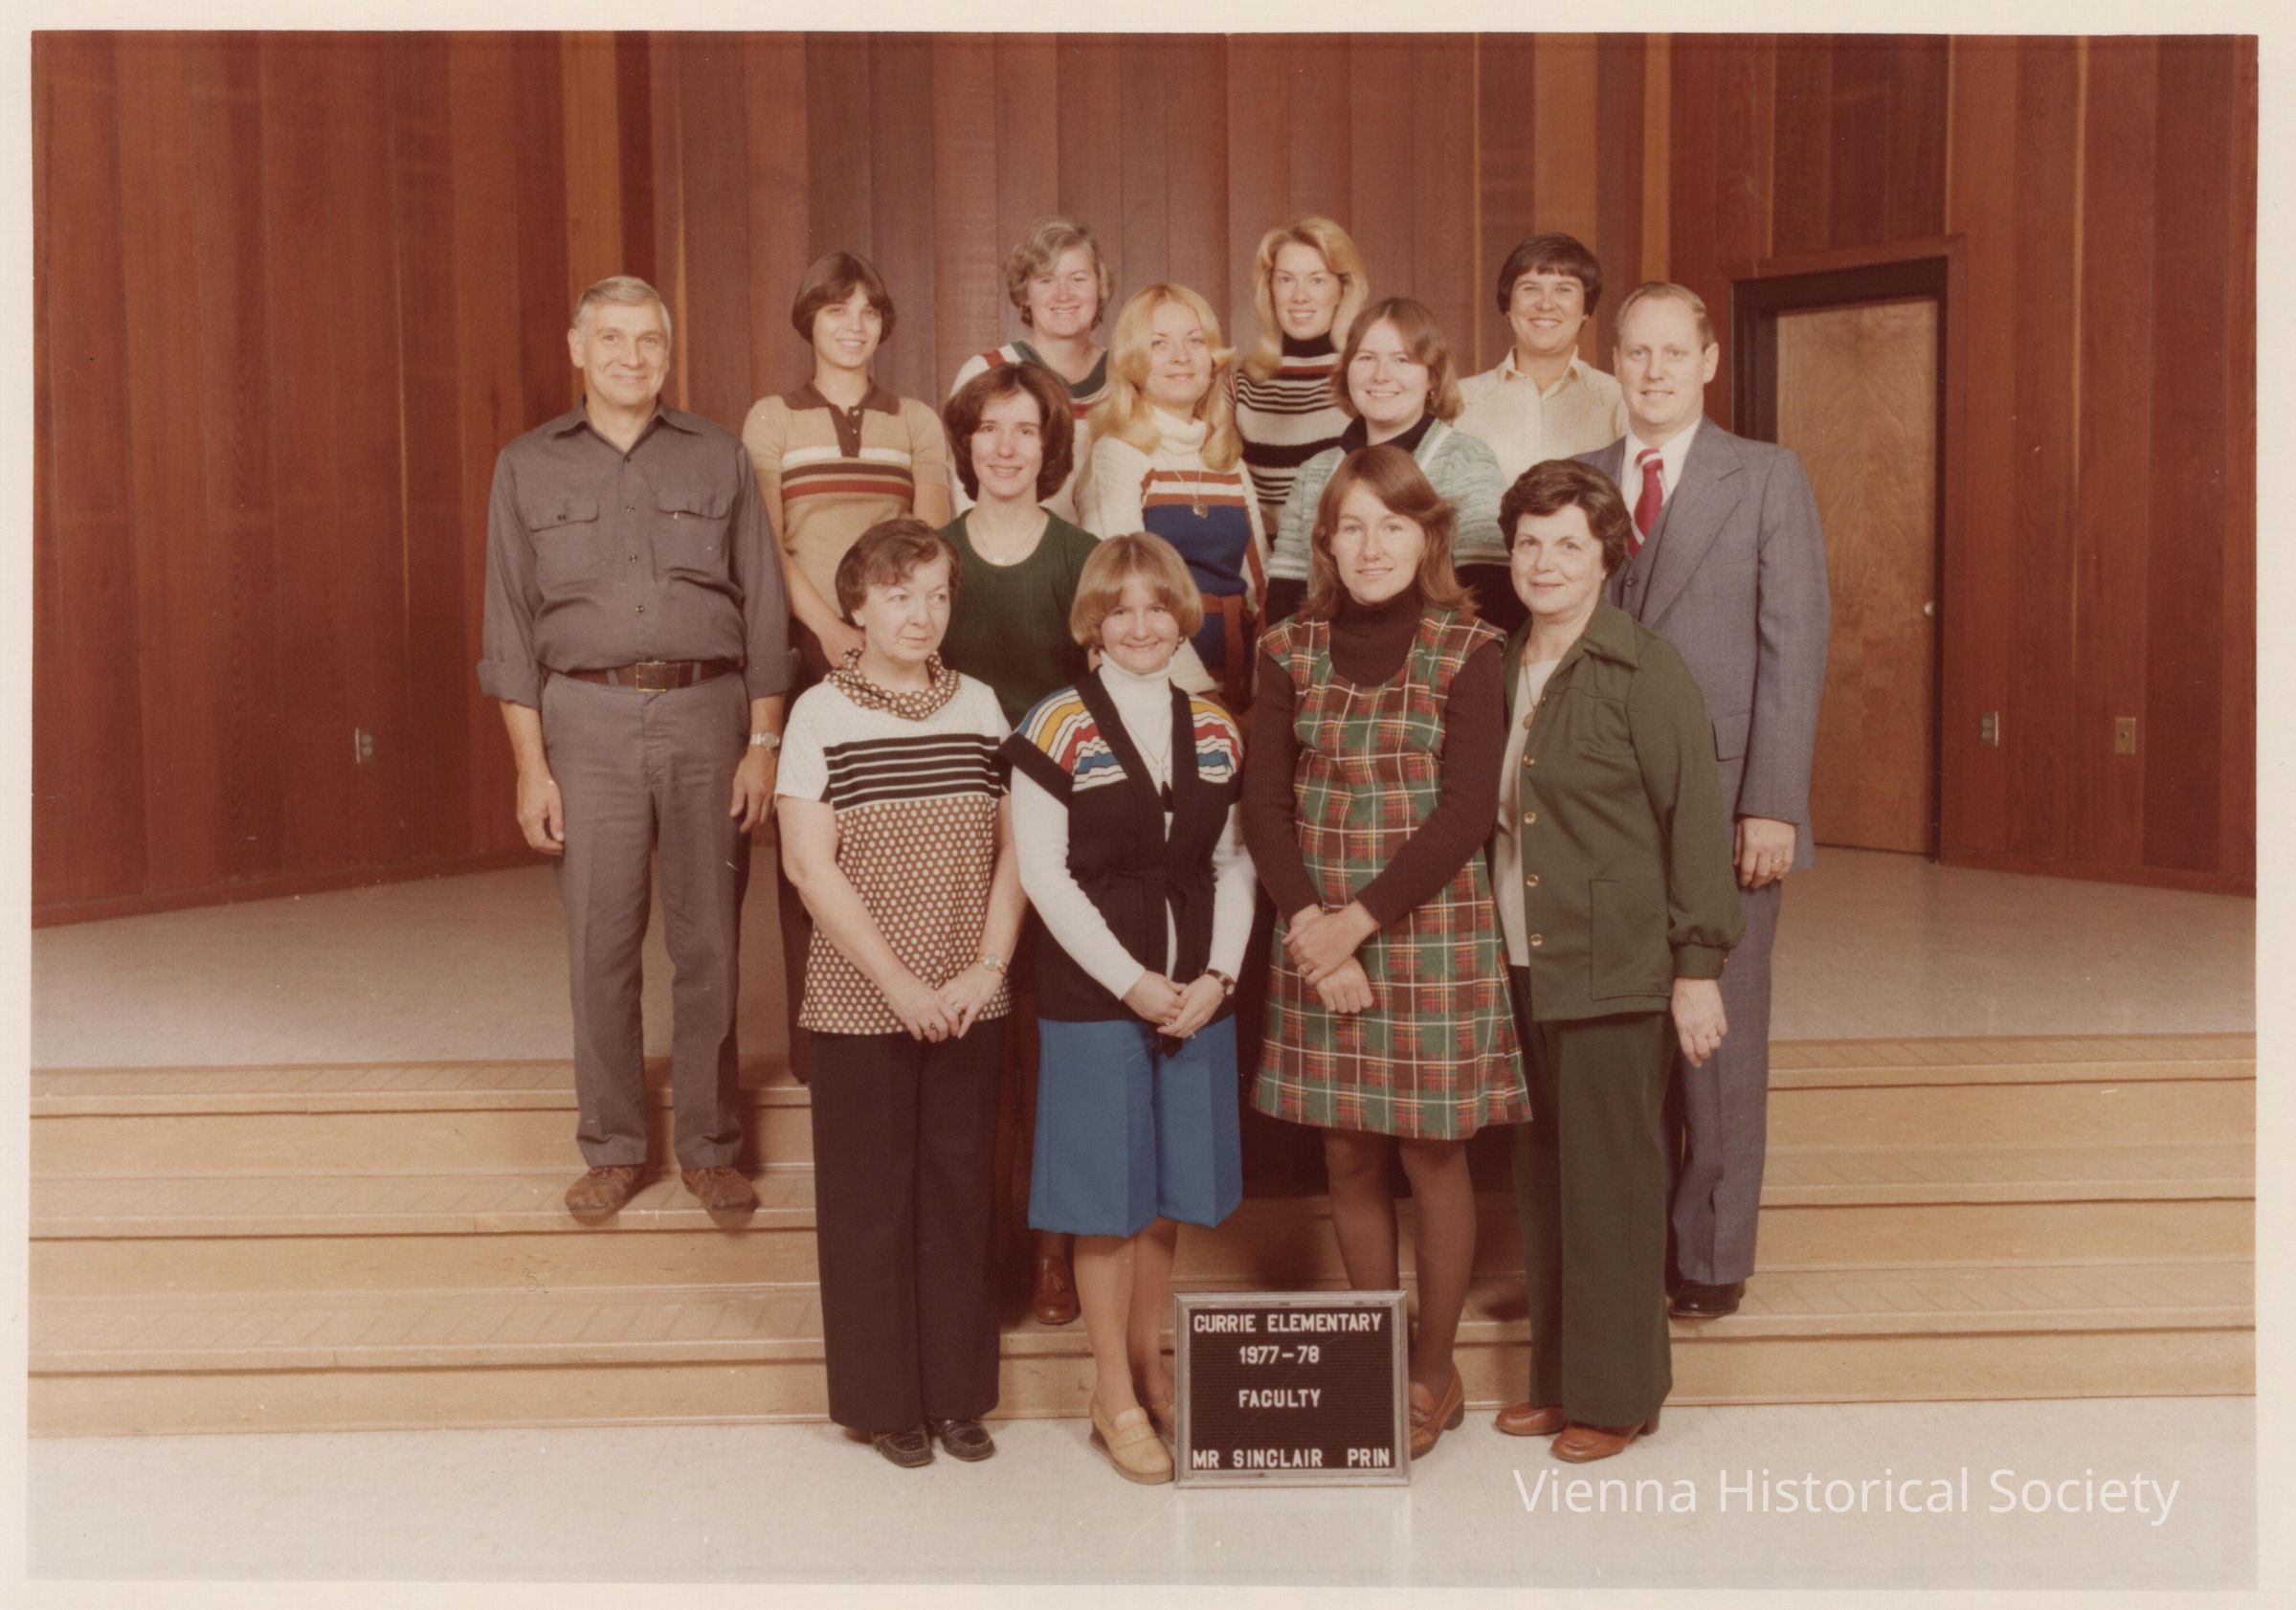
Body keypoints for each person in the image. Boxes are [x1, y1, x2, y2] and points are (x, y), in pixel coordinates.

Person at [478, 276, 790, 1223]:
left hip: (706, 715)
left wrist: (762, 742)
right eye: (611, 338)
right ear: (578, 348)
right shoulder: (525, 466)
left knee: (708, 942)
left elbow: (764, 609)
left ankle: (708, 1146)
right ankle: (613, 1146)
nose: (631, 356)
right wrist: (531, 767)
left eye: (648, 339)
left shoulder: (719, 455)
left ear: (667, 351)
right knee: (599, 944)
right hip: (586, 721)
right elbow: (508, 631)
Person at [1242, 444, 1527, 1460]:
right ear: (1323, 542)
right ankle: (1373, 1352)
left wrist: (1353, 924)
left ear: (1427, 536)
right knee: (1347, 1151)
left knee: (1430, 1151)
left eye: (1391, 526)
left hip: (1427, 932)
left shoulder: (1470, 647)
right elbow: (1263, 806)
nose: (1371, 547)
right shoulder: (1286, 647)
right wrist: (1312, 931)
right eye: (1351, 527)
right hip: (1315, 931)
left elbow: (1464, 813)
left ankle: (1431, 1370)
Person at [1577, 281, 1831, 1321]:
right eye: (1635, 352)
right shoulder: (1581, 478)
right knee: (1626, 1038)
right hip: (1603, 806)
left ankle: (1712, 1258)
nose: (1652, 371)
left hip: (1728, 805)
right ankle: (1632, 1248)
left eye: (1672, 352)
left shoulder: (1765, 476)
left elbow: (1793, 647)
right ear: (1613, 361)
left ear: (1708, 361)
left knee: (1719, 1035)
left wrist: (1771, 801)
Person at [1484, 460, 1744, 1463]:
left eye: (1567, 544)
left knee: (1611, 1183)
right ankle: (1559, 1381)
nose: (1543, 562)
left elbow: (1694, 825)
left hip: (1615, 965)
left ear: (1606, 557)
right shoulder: (1499, 664)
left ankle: (1618, 1391)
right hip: (1521, 959)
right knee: (1545, 1178)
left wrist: (1696, 967)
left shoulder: (1645, 669)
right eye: (1528, 543)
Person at [775, 518, 1024, 1469]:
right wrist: (899, 985)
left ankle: (957, 1395)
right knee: (870, 1204)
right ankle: (884, 1403)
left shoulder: (982, 706)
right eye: (897, 596)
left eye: (936, 595)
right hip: (862, 1000)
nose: (920, 615)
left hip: (967, 997)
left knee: (960, 1196)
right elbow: (808, 866)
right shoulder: (819, 714)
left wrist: (985, 969)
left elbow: (1018, 849)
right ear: (857, 604)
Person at [1007, 533, 1254, 1485]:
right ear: (1093, 623)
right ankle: (1110, 1390)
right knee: (1105, 1199)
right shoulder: (1056, 723)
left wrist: (1218, 976)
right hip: (1096, 988)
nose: (1142, 626)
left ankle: (1150, 1366)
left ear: (1182, 615)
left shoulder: (1215, 726)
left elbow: (1231, 862)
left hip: (1196, 988)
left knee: (1167, 1191)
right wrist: (1129, 982)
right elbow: (1044, 873)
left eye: (1157, 607)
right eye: (1120, 610)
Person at [743, 252, 953, 1086]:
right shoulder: (771, 419)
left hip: (899, 644)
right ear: (810, 321)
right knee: (811, 850)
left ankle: (902, 1018)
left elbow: (928, 544)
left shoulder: (916, 421)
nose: (853, 325)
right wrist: (830, 630)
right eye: (836, 309)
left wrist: (881, 631)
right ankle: (817, 1048)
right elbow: (766, 544)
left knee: (895, 839)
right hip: (807, 647)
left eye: (868, 310)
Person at [937, 362, 1101, 1328]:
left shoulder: (1082, 557)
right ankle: (980, 1253)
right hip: (955, 832)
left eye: (1025, 430)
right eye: (988, 429)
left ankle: (1050, 1253)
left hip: (1062, 829)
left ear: (1050, 447)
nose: (1005, 447)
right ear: (965, 445)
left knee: (1050, 1052)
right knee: (973, 1055)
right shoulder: (934, 557)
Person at [1262, 298, 1507, 630]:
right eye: (1366, 358)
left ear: (1432, 378)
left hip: (1435, 656)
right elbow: (1285, 595)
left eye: (1402, 360)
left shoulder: (1465, 460)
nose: (1381, 375)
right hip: (1324, 656)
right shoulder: (1314, 472)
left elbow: (1490, 595)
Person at [1078, 283, 1268, 710]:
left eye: (1195, 341)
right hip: (1157, 683)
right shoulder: (1118, 453)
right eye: (1159, 343)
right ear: (1132, 360)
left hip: (1240, 680)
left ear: (1212, 358)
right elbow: (1127, 595)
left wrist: (1264, 692)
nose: (1181, 357)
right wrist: (1201, 697)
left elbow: (1261, 589)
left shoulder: (1226, 459)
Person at [946, 215, 1114, 525]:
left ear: (1100, 288)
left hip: (1107, 552)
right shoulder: (987, 372)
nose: (1064, 294)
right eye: (1046, 280)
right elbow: (963, 489)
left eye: (1078, 278)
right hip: (1011, 548)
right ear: (1025, 295)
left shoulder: (1128, 377)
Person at [1457, 232, 1629, 489]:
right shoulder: (1458, 400)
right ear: (1508, 306)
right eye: (1530, 288)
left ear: (1586, 310)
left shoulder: (1620, 400)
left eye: (1564, 289)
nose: (1546, 304)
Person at [1233, 217, 1370, 537]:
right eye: (1286, 280)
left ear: (1342, 289)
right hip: (1266, 564)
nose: (1299, 296)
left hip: (1344, 560)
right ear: (1270, 289)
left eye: (1317, 280)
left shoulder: (1365, 376)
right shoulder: (1244, 383)